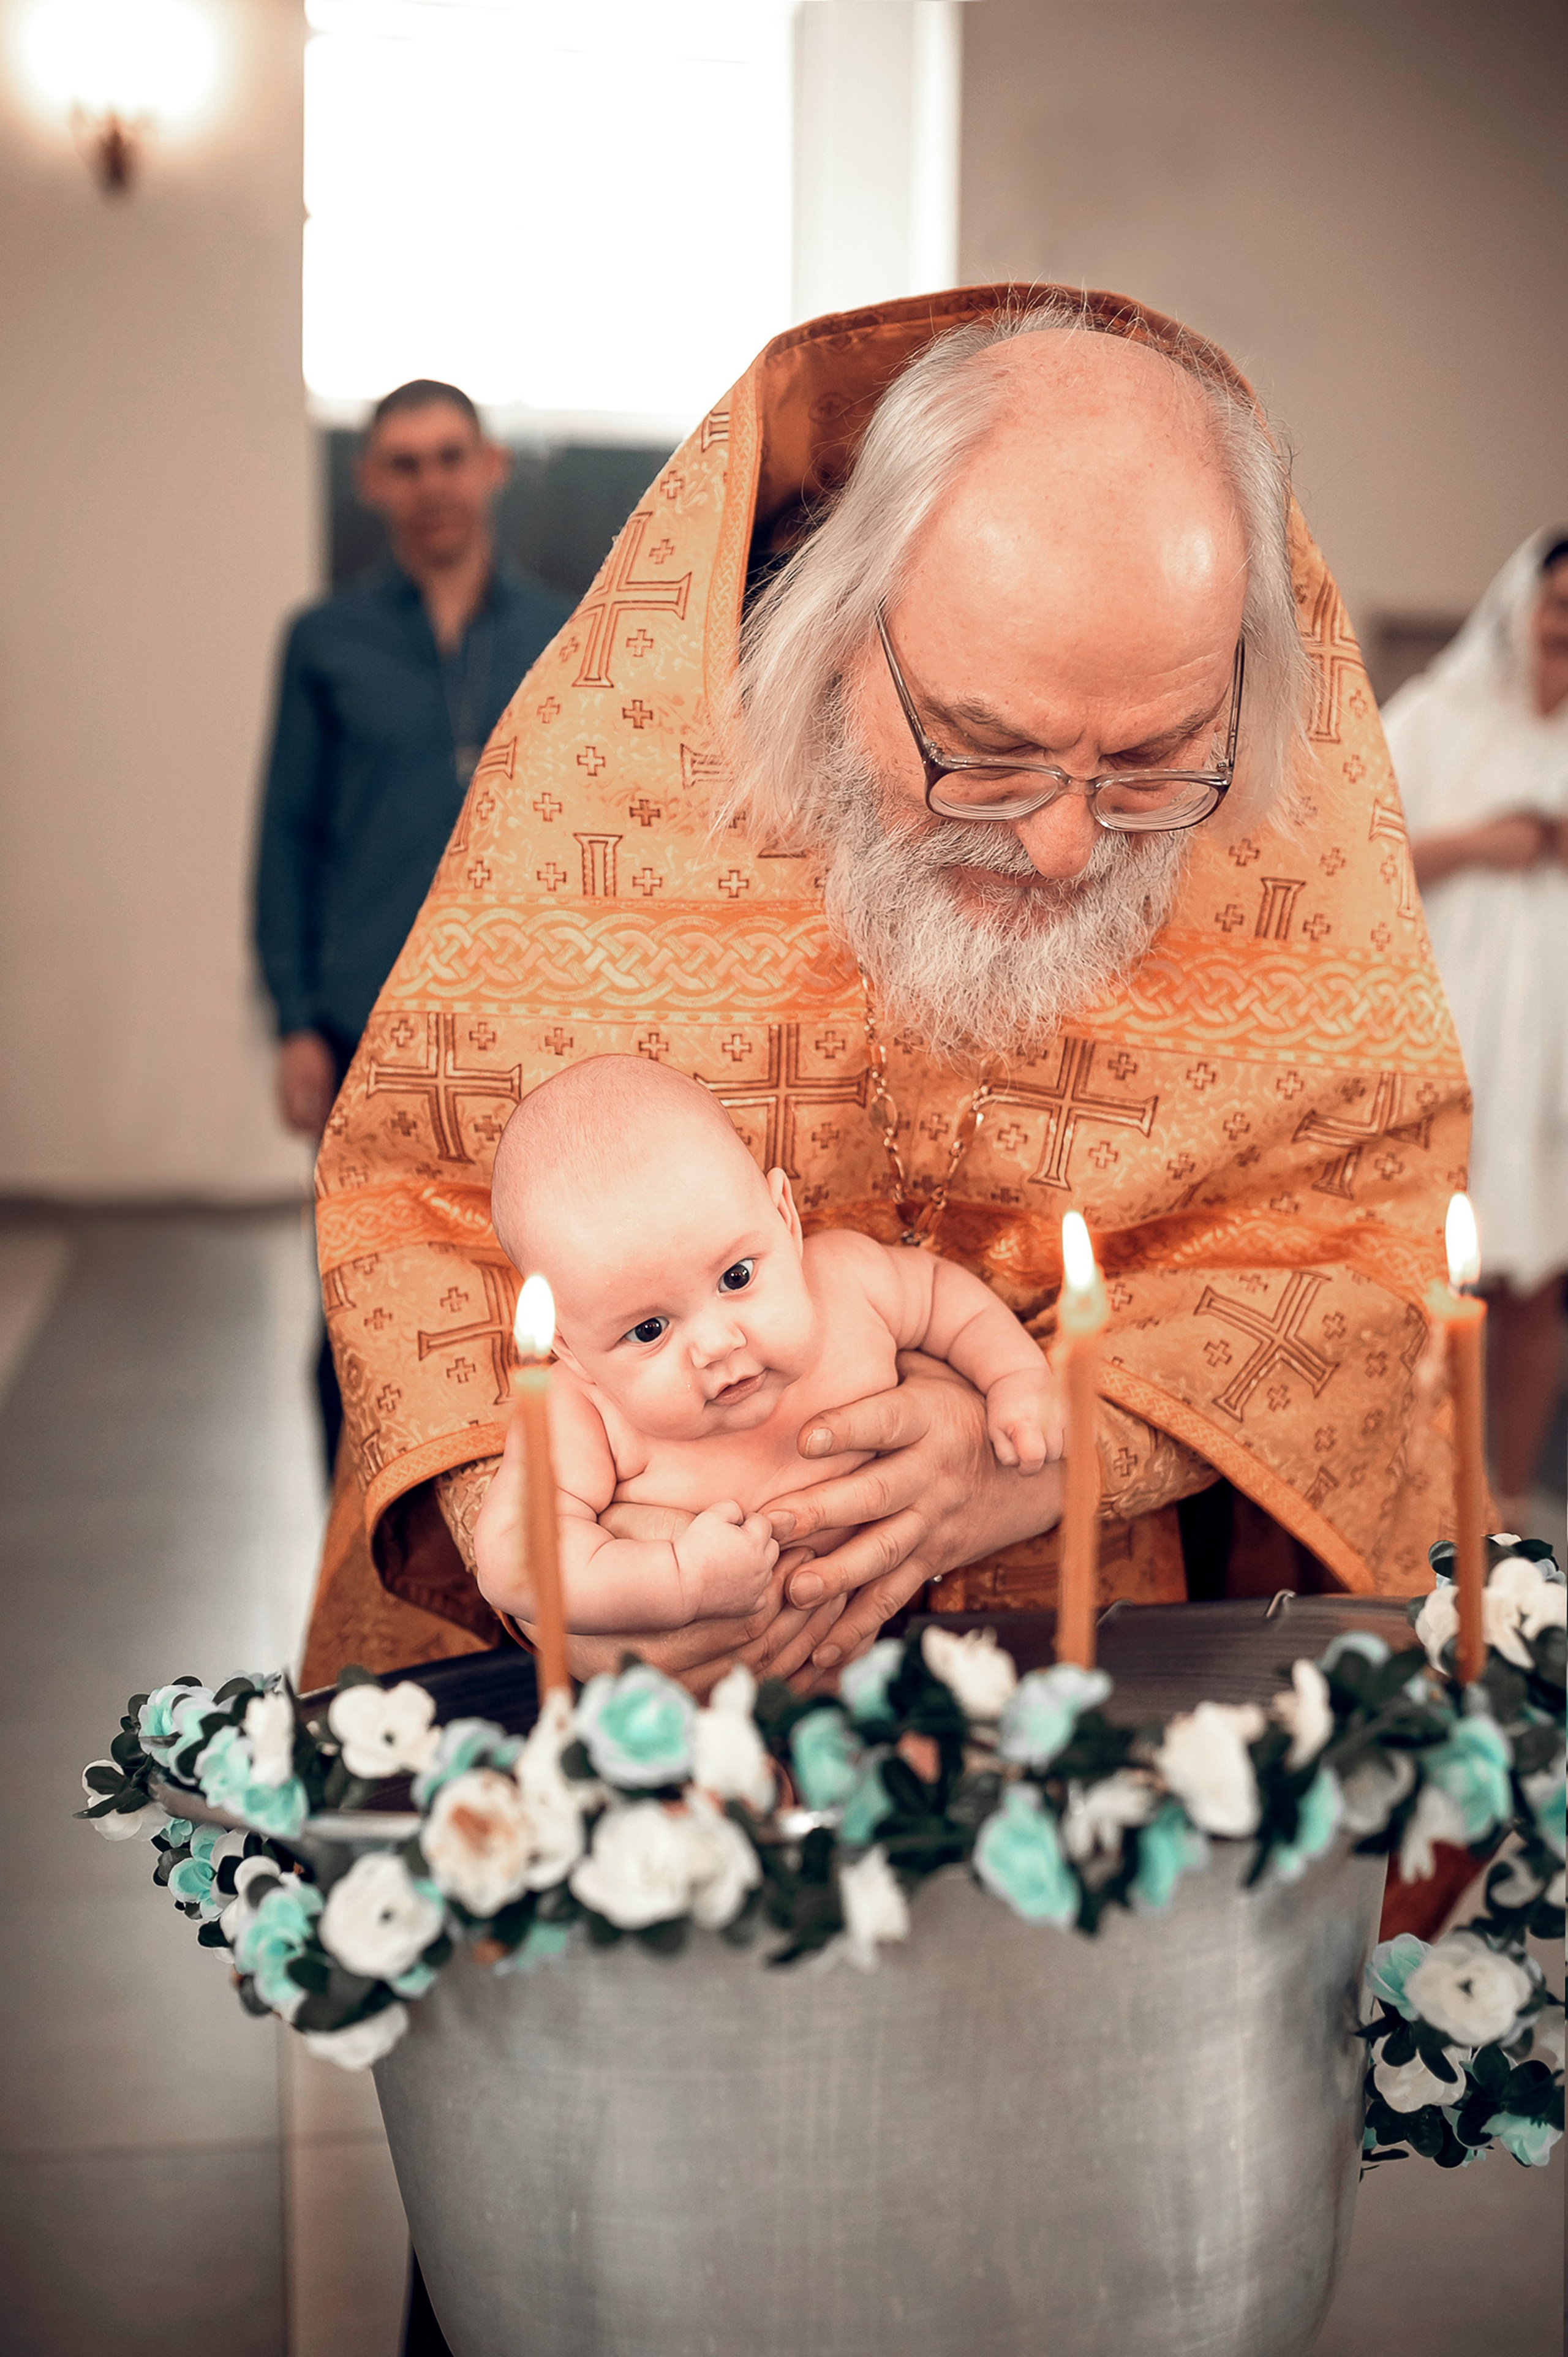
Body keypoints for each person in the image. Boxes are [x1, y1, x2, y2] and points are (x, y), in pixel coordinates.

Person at [301, 286, 1467, 1708]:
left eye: (1155, 760)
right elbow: (407, 1212)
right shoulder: (602, 797)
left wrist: (1049, 1450)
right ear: (842, 628)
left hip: (1102, 1691)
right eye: (983, 751)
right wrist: (538, 1530)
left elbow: (1362, 1238)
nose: (1063, 844)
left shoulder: (1283, 841)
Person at [252, 380, 571, 1465]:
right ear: (371, 482)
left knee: (511, 1290)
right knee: (358, 1299)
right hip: (363, 1027)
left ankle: (496, 1531)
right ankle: (358, 1555)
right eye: (405, 462)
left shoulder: (564, 633)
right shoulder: (324, 640)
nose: (430, 482)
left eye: (449, 456)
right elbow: (286, 835)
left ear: (490, 466)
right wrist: (294, 1017)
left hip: (514, 1031)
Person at [483, 1056, 1058, 1634]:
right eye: (648, 1330)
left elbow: (942, 1299)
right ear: (572, 1351)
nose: (714, 1344)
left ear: (785, 1218)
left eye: (736, 1277)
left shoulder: (848, 1281)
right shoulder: (581, 1411)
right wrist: (675, 1580)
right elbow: (513, 1557)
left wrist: (1014, 1378)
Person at [1382, 530, 1568, 1538]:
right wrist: (1491, 842)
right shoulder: (1436, 717)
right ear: (1525, 604)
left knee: (1542, 1274)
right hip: (1455, 1024)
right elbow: (1365, 855)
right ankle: (1419, 1492)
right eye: (1560, 605)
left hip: (1554, 1045)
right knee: (1443, 1266)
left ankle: (1519, 1505)